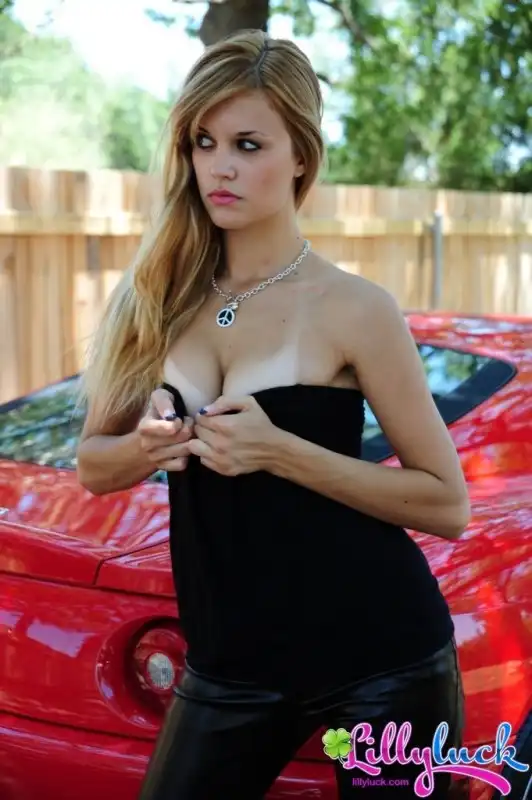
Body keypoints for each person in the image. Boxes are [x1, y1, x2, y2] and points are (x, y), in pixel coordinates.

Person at [76, 28, 470, 800]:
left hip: (382, 660)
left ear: (300, 158)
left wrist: (281, 451)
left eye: (248, 144)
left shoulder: (355, 308)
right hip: (227, 671)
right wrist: (150, 447)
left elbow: (445, 502)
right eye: (204, 142)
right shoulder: (158, 298)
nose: (219, 166)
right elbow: (94, 464)